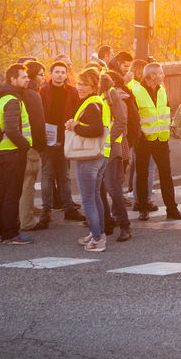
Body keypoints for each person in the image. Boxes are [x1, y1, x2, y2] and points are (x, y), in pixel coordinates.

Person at [129, 62, 181, 223]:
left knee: (166, 175)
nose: (163, 75)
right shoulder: (136, 92)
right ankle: (143, 208)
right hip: (143, 140)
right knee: (142, 175)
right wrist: (138, 136)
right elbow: (133, 118)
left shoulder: (161, 90)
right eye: (160, 73)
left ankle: (171, 209)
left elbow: (165, 110)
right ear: (152, 76)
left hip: (161, 139)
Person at [0, 64, 34, 246]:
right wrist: (25, 146)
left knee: (3, 191)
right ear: (13, 79)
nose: (27, 79)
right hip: (13, 152)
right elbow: (12, 129)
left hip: (2, 150)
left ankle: (0, 231)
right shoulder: (12, 100)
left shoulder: (1, 97)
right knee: (12, 193)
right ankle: (11, 233)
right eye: (23, 77)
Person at [66, 68, 108, 252]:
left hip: (89, 157)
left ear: (93, 87)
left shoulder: (91, 105)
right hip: (99, 155)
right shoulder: (96, 102)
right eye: (79, 83)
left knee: (88, 199)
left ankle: (98, 240)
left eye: (84, 84)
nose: (80, 87)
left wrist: (76, 127)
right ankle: (97, 233)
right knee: (95, 196)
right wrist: (76, 125)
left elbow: (96, 129)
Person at [40, 61, 84, 222]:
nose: (59, 75)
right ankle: (46, 211)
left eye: (62, 72)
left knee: (65, 176)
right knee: (47, 176)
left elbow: (77, 112)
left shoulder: (72, 91)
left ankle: (68, 209)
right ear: (51, 74)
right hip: (47, 139)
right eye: (57, 72)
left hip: (65, 138)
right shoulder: (43, 90)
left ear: (66, 75)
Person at [101, 70, 134, 242]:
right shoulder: (92, 97)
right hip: (97, 149)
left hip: (111, 149)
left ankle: (124, 225)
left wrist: (106, 141)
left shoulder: (112, 94)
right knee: (99, 188)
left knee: (113, 187)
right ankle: (107, 222)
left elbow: (121, 121)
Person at [15, 61, 47, 232]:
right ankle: (26, 221)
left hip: (11, 146)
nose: (44, 78)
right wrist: (41, 146)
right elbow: (38, 124)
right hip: (30, 145)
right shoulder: (32, 95)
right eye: (41, 74)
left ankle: (14, 218)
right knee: (28, 183)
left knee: (15, 184)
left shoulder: (12, 93)